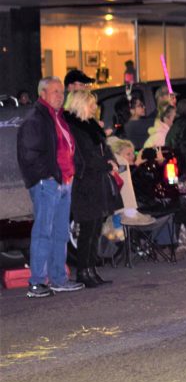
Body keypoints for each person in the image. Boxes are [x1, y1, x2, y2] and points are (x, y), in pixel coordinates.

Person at [16, 77, 85, 297]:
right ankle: (37, 282)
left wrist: (75, 169)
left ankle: (58, 279)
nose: (60, 95)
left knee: (60, 233)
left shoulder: (59, 118)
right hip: (48, 183)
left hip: (64, 182)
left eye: (61, 92)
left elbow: (69, 148)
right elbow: (29, 155)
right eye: (55, 91)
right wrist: (49, 176)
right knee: (43, 233)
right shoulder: (36, 120)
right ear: (43, 94)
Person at [64, 90, 120, 287]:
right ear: (81, 105)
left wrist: (110, 161)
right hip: (86, 182)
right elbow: (86, 157)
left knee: (96, 228)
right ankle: (84, 271)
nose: (95, 108)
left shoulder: (89, 126)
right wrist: (106, 165)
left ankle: (91, 269)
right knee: (88, 229)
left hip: (97, 181)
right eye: (91, 104)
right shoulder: (76, 128)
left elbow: (102, 149)